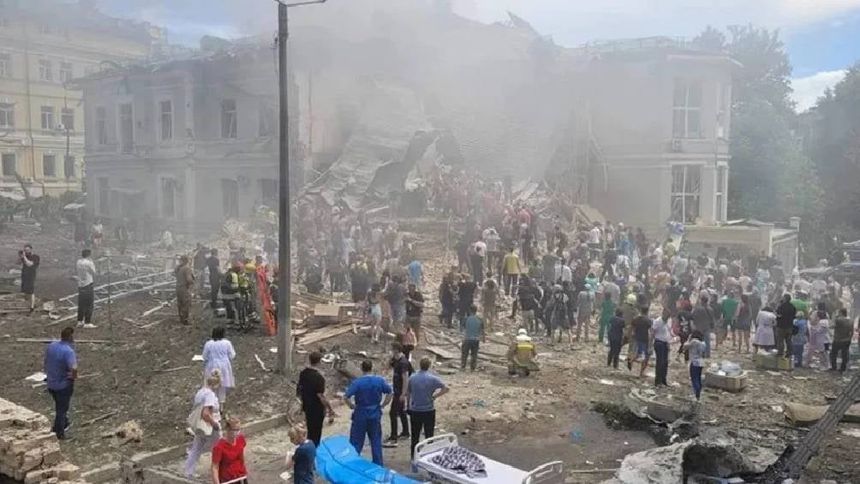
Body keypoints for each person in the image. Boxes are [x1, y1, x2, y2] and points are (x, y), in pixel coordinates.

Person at [343, 360, 393, 466]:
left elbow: (346, 396)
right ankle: (378, 464)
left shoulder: (357, 382)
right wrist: (383, 404)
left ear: (362, 368)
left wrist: (351, 405)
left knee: (356, 441)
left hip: (360, 413)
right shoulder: (379, 380)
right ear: (372, 368)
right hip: (375, 412)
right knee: (375, 440)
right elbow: (390, 392)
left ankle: (353, 463)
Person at [406, 357, 449, 461]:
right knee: (429, 435)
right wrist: (435, 396)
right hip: (428, 410)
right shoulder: (432, 379)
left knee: (415, 436)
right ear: (429, 366)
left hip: (415, 409)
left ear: (420, 365)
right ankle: (429, 457)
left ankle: (413, 457)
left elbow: (408, 393)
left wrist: (408, 405)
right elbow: (446, 388)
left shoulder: (412, 377)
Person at [184, 370, 222, 478]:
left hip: (200, 425)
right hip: (209, 426)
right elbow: (206, 413)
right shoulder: (210, 395)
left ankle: (188, 471)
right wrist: (214, 424)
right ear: (217, 383)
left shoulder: (200, 392)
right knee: (219, 447)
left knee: (196, 447)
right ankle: (219, 470)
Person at [44, 326, 77, 440]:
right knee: (62, 409)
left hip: (51, 383)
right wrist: (74, 376)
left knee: (59, 405)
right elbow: (73, 368)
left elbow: (46, 361)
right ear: (70, 337)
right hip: (63, 385)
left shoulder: (52, 346)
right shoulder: (68, 351)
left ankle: (63, 423)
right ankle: (59, 432)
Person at [297, 352, 335, 446]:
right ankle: (313, 449)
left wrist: (302, 404)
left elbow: (300, 390)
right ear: (319, 362)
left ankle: (309, 447)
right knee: (316, 433)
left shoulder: (303, 373)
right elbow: (320, 396)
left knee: (310, 430)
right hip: (316, 408)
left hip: (307, 406)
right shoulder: (319, 377)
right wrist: (330, 408)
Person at [385, 343, 412, 447]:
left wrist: (403, 393)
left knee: (393, 413)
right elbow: (387, 367)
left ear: (396, 350)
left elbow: (405, 378)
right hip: (397, 389)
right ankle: (405, 432)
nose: (391, 351)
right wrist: (390, 359)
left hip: (400, 391)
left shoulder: (403, 362)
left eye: (392, 349)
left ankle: (394, 437)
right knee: (401, 411)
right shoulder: (396, 360)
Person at [202, 327, 236, 403]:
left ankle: (212, 401)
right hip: (224, 365)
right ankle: (221, 403)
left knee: (212, 383)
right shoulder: (227, 343)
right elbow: (232, 355)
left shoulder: (208, 344)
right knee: (222, 385)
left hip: (212, 365)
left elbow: (204, 356)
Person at [211, 417, 247, 484]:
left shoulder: (241, 439)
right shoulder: (219, 447)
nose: (237, 433)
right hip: (227, 479)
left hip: (240, 476)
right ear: (228, 429)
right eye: (234, 430)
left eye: (238, 430)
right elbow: (215, 467)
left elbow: (241, 457)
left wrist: (244, 471)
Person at [75, 249, 96, 328]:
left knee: (81, 304)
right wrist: (92, 262)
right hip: (88, 284)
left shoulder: (78, 262)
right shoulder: (89, 263)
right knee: (89, 304)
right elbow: (94, 272)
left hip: (80, 285)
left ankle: (79, 321)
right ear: (89, 255)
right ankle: (87, 322)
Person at [684, 331, 706, 401]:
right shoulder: (703, 343)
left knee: (694, 379)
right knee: (698, 378)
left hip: (694, 362)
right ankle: (698, 394)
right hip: (701, 362)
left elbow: (685, 347)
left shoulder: (694, 341)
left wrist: (688, 339)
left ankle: (696, 394)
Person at [630, 306, 652, 379]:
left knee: (637, 354)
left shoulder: (636, 318)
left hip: (637, 338)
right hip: (645, 340)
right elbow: (650, 331)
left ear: (641, 310)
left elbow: (632, 326)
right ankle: (641, 373)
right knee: (645, 357)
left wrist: (633, 333)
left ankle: (631, 360)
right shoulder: (648, 320)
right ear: (647, 311)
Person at [461, 304, 485, 371]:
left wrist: (463, 336)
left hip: (467, 338)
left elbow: (462, 329)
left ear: (469, 310)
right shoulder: (480, 319)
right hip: (475, 339)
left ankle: (463, 367)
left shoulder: (466, 319)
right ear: (476, 310)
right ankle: (472, 368)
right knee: (474, 354)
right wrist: (483, 339)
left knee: (464, 353)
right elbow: (482, 330)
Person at [652, 308, 672, 387]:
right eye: (666, 316)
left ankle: (664, 380)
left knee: (665, 362)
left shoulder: (668, 322)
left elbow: (667, 333)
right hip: (659, 343)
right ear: (663, 314)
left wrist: (668, 343)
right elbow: (652, 332)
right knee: (660, 362)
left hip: (665, 343)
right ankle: (658, 381)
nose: (667, 318)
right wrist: (650, 344)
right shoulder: (658, 321)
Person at [19, 244, 40, 313]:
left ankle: (32, 307)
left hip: (31, 276)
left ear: (31, 249)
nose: (26, 252)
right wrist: (21, 257)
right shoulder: (25, 256)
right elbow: (18, 263)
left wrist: (24, 257)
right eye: (25, 250)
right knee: (25, 291)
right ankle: (28, 303)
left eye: (27, 250)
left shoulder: (35, 257)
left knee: (31, 291)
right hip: (24, 275)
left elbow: (29, 264)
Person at [775, 294, 798, 359]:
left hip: (781, 326)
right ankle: (789, 353)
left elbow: (778, 314)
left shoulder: (781, 306)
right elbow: (794, 316)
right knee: (788, 340)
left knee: (780, 340)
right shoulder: (792, 306)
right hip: (789, 326)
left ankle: (780, 353)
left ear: (784, 298)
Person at [175, 255, 194, 325]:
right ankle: (185, 320)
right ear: (187, 261)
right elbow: (189, 279)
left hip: (178, 287)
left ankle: (181, 318)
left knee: (180, 303)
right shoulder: (186, 268)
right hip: (184, 288)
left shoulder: (178, 268)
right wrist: (192, 282)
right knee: (186, 303)